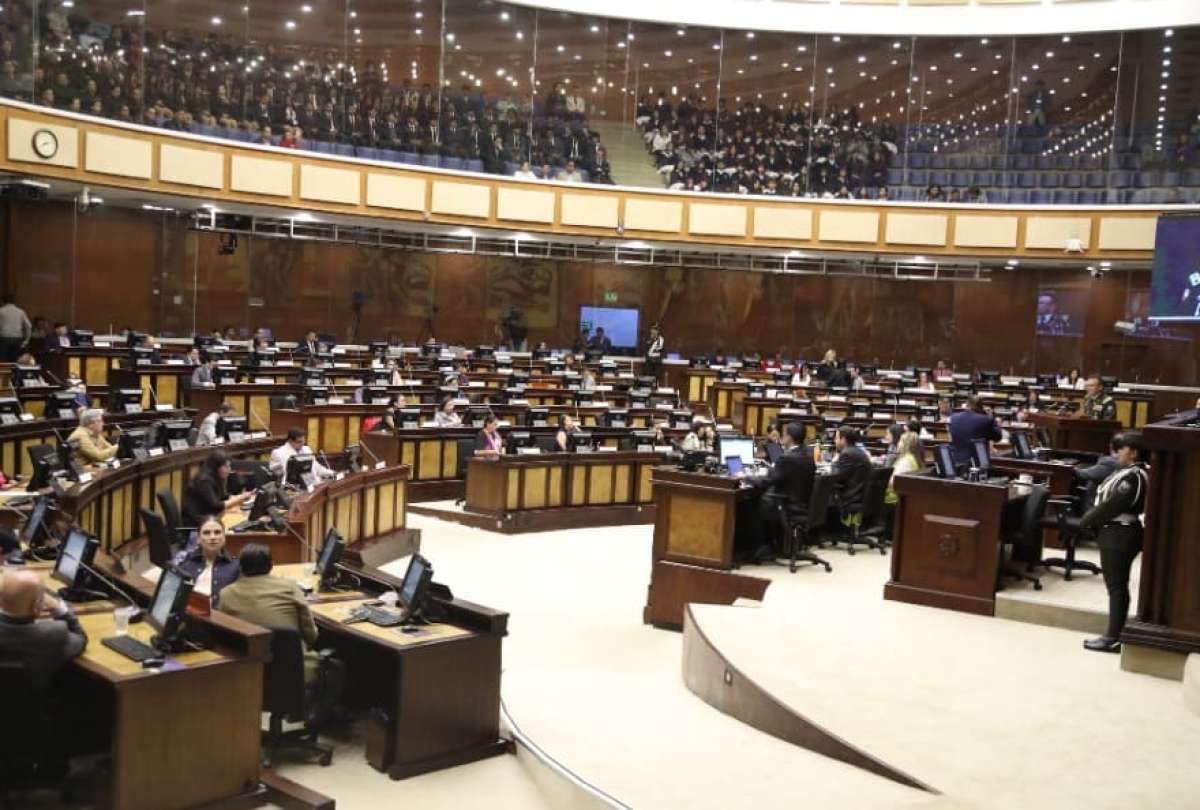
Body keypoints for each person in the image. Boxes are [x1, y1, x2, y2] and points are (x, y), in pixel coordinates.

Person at [1079, 432, 1149, 653]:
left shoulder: (1133, 476)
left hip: (1120, 534)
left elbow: (1112, 505)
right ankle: (1114, 634)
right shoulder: (1130, 472)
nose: (1119, 452)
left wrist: (1085, 521)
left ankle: (1112, 637)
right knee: (1117, 586)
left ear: (1134, 452)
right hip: (1116, 532)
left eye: (1124, 448)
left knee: (1117, 587)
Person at [218, 544, 321, 684]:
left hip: (246, 674)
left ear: (240, 567)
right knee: (337, 667)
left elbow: (222, 639)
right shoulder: (290, 587)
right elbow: (311, 636)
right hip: (294, 671)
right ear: (272, 565)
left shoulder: (225, 595)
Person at [0, 568, 87, 692]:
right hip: (29, 708)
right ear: (37, 606)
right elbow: (80, 639)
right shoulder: (53, 634)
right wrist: (58, 608)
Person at [744, 421, 816, 562]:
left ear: (789, 437)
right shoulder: (808, 455)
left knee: (750, 503)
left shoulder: (787, 458)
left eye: (784, 434)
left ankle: (762, 546)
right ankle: (773, 543)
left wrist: (745, 477)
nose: (783, 437)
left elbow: (766, 481)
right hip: (801, 504)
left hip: (787, 506)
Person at [183, 449, 256, 527]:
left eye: (229, 466)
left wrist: (241, 497)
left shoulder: (214, 477)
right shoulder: (204, 480)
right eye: (226, 466)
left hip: (209, 517)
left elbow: (222, 496)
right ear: (216, 467)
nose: (229, 470)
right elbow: (216, 505)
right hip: (198, 523)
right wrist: (239, 499)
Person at [177, 516, 240, 603]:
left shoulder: (236, 566)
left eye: (217, 532)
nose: (212, 537)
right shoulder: (186, 564)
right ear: (198, 539)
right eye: (206, 533)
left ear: (224, 537)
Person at [882, 432, 923, 542]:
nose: (898, 443)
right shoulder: (913, 458)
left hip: (892, 498)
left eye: (900, 441)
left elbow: (892, 482)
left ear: (906, 444)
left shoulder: (905, 461)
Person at [828, 426, 871, 518]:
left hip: (851, 497)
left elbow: (835, 477)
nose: (835, 441)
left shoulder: (847, 454)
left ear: (843, 439)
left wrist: (834, 461)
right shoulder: (858, 451)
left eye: (836, 438)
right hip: (861, 495)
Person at [947, 396, 1001, 466]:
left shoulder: (953, 418)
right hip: (978, 464)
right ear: (981, 407)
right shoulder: (986, 419)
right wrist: (991, 417)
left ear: (967, 404)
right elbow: (998, 437)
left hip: (956, 463)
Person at [1074, 439, 1122, 511]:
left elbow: (1082, 474)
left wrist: (1065, 466)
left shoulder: (1110, 464)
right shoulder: (1129, 466)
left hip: (1096, 509)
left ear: (1111, 447)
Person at [269, 428, 335, 479]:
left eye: (303, 441)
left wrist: (333, 473)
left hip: (312, 484)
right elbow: (276, 475)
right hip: (292, 488)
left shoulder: (307, 449)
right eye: (299, 442)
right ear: (290, 441)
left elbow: (317, 468)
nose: (302, 444)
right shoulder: (278, 453)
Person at [0, 295, 31, 362]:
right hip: (17, 339)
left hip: (3, 339)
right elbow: (29, 326)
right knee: (15, 361)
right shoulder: (20, 311)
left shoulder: (1, 311)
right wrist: (26, 341)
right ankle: (14, 372)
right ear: (14, 302)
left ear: (2, 301)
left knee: (3, 361)